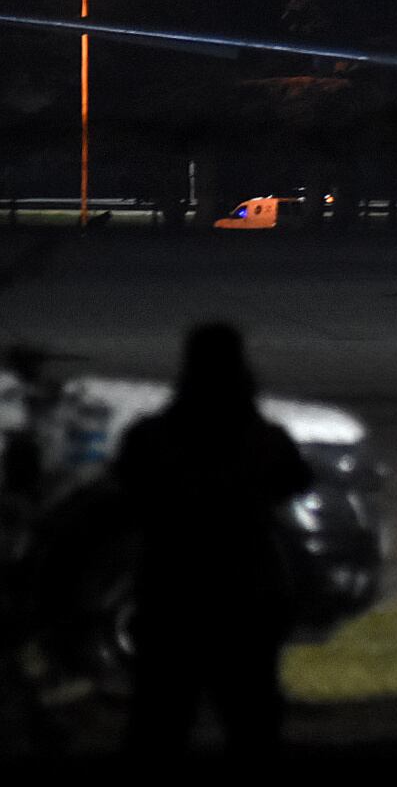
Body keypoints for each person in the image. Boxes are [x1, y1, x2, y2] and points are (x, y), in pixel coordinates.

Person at [114, 323, 313, 755]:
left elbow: (127, 494)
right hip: (247, 592)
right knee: (251, 717)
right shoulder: (265, 440)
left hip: (174, 592)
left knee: (162, 719)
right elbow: (295, 480)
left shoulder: (151, 438)